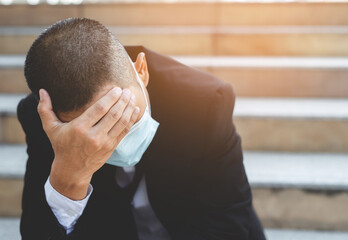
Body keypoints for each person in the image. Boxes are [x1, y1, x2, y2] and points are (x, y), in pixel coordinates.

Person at [17, 17, 266, 240]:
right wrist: (67, 181)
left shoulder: (204, 103)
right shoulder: (42, 121)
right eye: (93, 128)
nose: (111, 138)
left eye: (123, 110)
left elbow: (225, 224)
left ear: (141, 71)